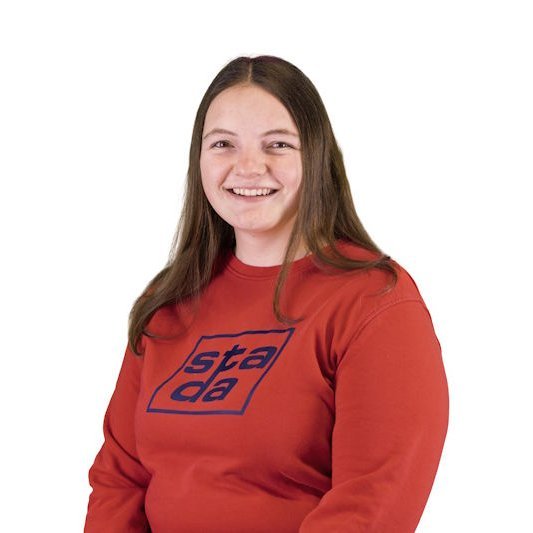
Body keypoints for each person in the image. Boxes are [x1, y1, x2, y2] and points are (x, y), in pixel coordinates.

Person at [84, 55, 449, 532]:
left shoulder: (374, 301)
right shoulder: (169, 300)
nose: (248, 167)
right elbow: (119, 479)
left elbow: (371, 503)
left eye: (277, 144)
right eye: (223, 144)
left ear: (316, 156)